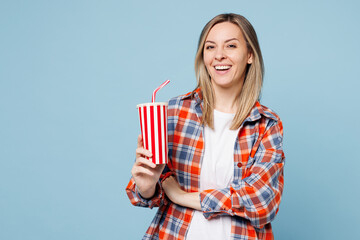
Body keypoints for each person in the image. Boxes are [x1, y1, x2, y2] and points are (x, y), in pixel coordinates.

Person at [126, 13, 285, 240]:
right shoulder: (174, 112)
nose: (219, 55)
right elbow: (143, 193)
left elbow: (262, 202)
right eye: (210, 47)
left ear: (249, 55)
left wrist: (180, 196)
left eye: (230, 45)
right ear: (203, 55)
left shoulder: (266, 123)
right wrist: (147, 186)